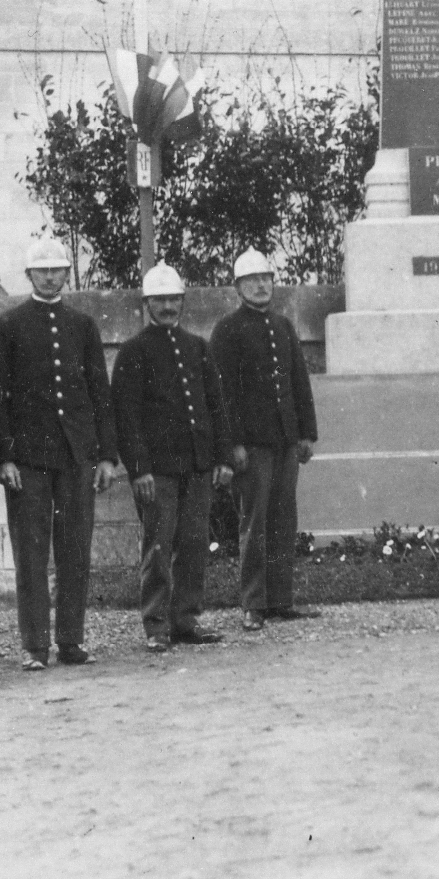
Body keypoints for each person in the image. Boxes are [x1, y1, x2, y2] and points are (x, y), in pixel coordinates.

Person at [0, 240, 119, 670]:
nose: (51, 276)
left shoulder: (82, 325)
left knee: (75, 550)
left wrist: (107, 457)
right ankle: (35, 646)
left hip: (77, 456)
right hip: (29, 460)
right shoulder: (8, 325)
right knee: (32, 553)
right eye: (42, 271)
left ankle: (71, 641)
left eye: (58, 270)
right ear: (29, 276)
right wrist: (4, 458)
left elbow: (100, 394)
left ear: (66, 274)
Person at [112, 266, 236, 653]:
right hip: (158, 472)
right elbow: (126, 417)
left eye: (173, 299)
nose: (167, 307)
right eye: (159, 300)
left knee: (195, 543)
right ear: (147, 304)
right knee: (159, 546)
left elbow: (216, 407)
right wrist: (139, 469)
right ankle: (156, 624)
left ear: (182, 301)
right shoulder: (133, 352)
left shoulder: (197, 347)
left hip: (198, 466)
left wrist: (222, 458)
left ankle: (186, 619)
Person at [209, 247, 319, 631]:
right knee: (254, 522)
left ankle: (281, 599)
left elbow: (298, 383)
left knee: (283, 519)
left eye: (266, 278)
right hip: (251, 445)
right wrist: (232, 444)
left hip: (285, 440)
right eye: (252, 280)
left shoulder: (283, 326)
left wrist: (306, 433)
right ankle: (253, 603)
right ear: (238, 287)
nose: (260, 285)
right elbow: (221, 394)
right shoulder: (227, 329)